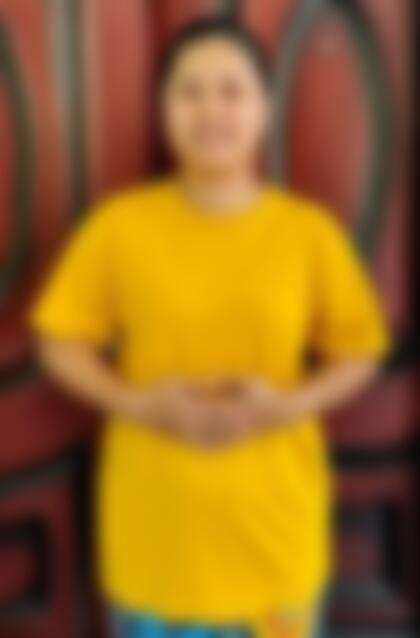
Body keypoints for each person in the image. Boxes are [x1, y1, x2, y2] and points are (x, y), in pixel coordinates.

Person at [30, 17, 390, 638]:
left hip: (273, 534)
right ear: (163, 109)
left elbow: (360, 350)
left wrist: (285, 406)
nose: (211, 110)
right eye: (190, 91)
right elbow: (60, 342)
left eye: (231, 90)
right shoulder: (119, 229)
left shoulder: (308, 235)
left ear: (265, 107)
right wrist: (139, 404)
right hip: (155, 538)